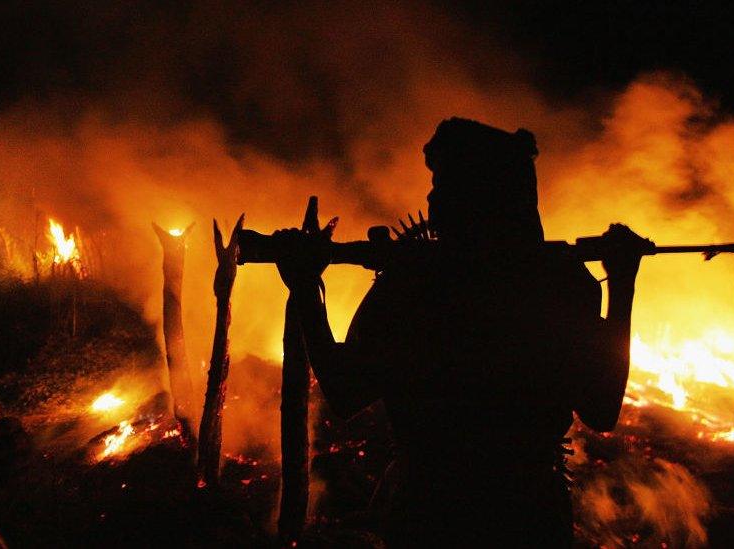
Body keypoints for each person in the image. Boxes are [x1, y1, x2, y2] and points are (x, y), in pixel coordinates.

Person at [273, 118, 649, 547]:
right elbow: (602, 409)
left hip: (430, 512)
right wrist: (621, 283)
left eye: (443, 184)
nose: (431, 197)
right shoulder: (564, 283)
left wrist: (305, 287)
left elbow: (344, 390)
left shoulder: (413, 285)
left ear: (473, 196)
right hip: (530, 515)